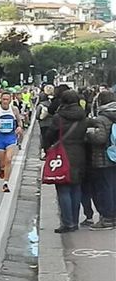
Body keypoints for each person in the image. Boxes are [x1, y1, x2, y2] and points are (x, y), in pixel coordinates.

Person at [43, 90, 87, 233]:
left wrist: (46, 148)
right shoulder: (83, 116)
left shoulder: (59, 117)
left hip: (62, 154)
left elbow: (50, 135)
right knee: (76, 188)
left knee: (63, 189)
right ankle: (74, 221)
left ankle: (67, 223)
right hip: (80, 153)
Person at [84, 90, 116, 230]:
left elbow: (100, 138)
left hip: (103, 158)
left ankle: (107, 218)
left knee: (104, 189)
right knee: (113, 188)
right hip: (114, 156)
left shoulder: (101, 119)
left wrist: (90, 134)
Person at [0, 91, 23, 193]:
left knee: (8, 159)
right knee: (3, 163)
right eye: (4, 99)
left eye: (7, 99)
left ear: (10, 100)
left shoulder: (14, 109)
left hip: (11, 137)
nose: (5, 101)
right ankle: (1, 168)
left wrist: (19, 127)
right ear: (1, 100)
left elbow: (19, 121)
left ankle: (5, 183)